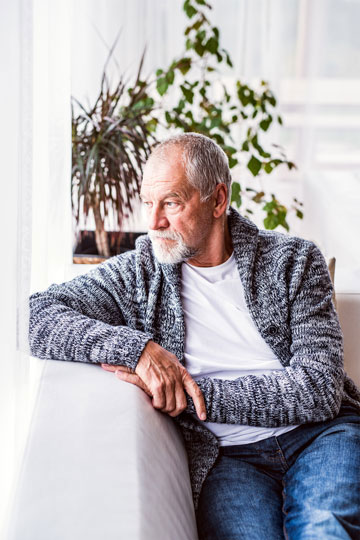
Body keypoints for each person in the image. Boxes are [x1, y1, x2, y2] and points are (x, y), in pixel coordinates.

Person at [29, 133, 360, 539]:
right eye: (148, 204)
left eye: (171, 203)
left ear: (217, 200)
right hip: (229, 458)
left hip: (321, 437)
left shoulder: (295, 261)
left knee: (325, 530)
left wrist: (191, 396)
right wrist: (140, 351)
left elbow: (318, 391)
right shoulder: (139, 274)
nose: (153, 223)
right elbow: (34, 315)